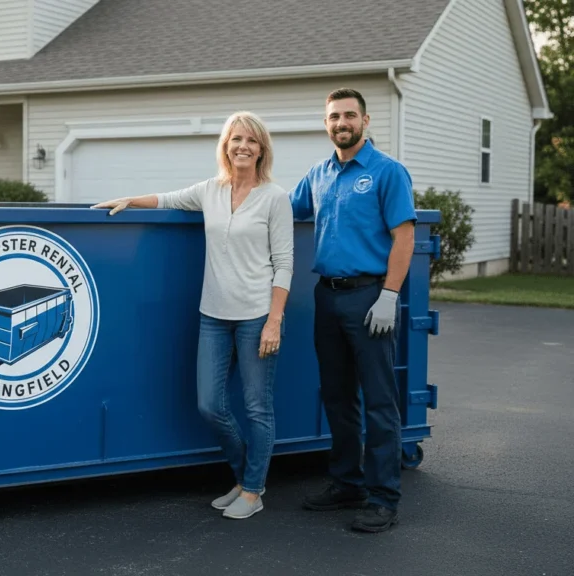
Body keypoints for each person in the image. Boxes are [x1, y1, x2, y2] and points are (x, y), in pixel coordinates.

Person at [92, 111, 294, 520]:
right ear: (225, 146)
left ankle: (254, 491)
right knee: (209, 405)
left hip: (258, 315)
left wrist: (275, 319)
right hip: (214, 316)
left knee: (258, 407)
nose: (242, 146)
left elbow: (284, 263)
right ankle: (243, 478)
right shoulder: (211, 191)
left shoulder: (275, 197)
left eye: (251, 140)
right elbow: (166, 199)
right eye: (235, 139)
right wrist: (130, 200)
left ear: (261, 149)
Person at [288, 88, 417, 533]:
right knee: (338, 396)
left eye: (348, 115)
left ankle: (384, 498)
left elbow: (404, 237)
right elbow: (283, 209)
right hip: (327, 295)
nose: (340, 123)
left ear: (364, 120)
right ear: (326, 124)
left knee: (380, 401)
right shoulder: (318, 174)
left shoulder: (387, 172)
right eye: (332, 117)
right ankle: (348, 483)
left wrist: (389, 295)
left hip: (369, 297)